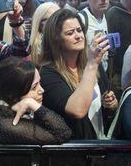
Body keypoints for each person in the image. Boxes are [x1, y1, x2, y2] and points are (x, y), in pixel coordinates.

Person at [39, 9, 118, 139]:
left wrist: (110, 105)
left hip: (100, 143)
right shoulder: (47, 73)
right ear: (56, 39)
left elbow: (102, 111)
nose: (78, 36)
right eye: (70, 33)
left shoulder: (93, 65)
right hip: (73, 151)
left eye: (79, 30)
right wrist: (92, 64)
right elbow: (77, 110)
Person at [0, 57, 71, 144]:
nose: (42, 90)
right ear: (13, 94)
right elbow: (63, 133)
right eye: (34, 87)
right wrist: (31, 103)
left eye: (40, 83)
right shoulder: (0, 121)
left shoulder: (13, 108)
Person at [29, 2, 59, 66]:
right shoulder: (38, 46)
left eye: (54, 18)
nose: (51, 22)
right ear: (38, 23)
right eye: (46, 19)